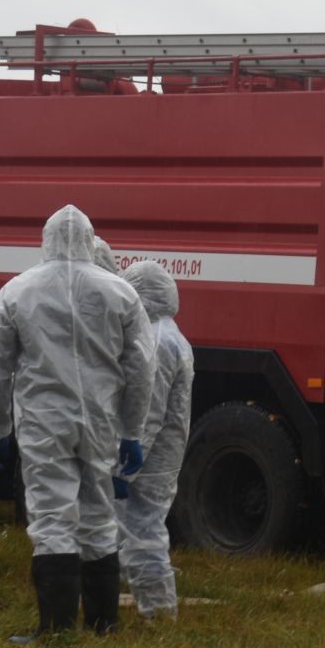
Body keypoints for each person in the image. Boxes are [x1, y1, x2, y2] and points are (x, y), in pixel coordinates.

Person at [0, 205, 155, 639]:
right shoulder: (120, 292)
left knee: (52, 513)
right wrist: (132, 430)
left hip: (44, 418)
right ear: (90, 238)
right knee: (98, 512)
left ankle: (55, 628)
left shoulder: (18, 290)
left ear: (47, 238)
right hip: (100, 419)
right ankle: (103, 623)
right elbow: (141, 368)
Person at [113, 260, 194, 619]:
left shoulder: (158, 341)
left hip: (151, 458)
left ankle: (159, 615)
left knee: (143, 533)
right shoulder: (169, 334)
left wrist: (126, 465)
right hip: (161, 454)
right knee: (135, 528)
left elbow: (149, 411)